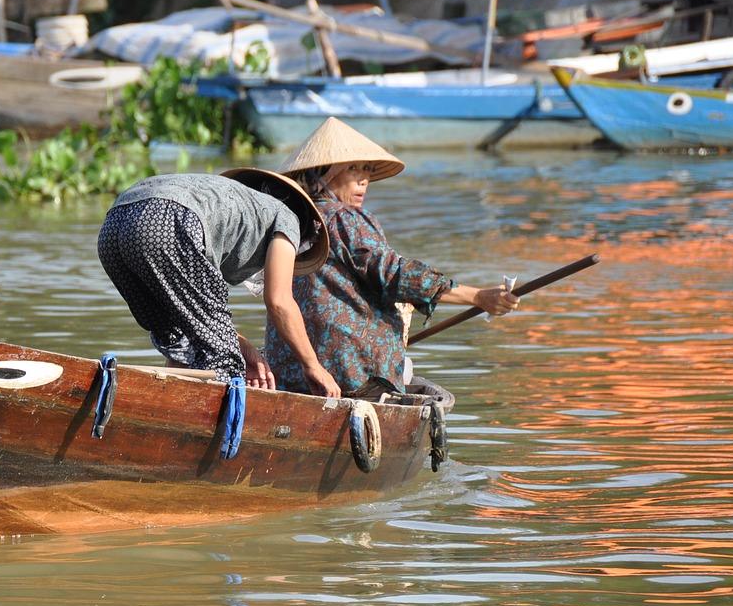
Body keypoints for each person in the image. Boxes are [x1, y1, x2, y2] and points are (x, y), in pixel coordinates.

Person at [263, 117, 519, 399]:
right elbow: (396, 274)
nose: (363, 180)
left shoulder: (291, 220)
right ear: (323, 173)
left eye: (367, 170)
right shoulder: (344, 217)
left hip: (288, 371)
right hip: (347, 374)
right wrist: (477, 296)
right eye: (352, 169)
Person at [98, 169, 338, 391]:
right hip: (168, 219)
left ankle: (167, 406)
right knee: (224, 360)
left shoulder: (237, 205)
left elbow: (195, 317)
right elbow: (279, 301)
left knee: (179, 337)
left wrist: (243, 346)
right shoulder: (289, 219)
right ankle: (212, 429)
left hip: (114, 223)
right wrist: (312, 366)